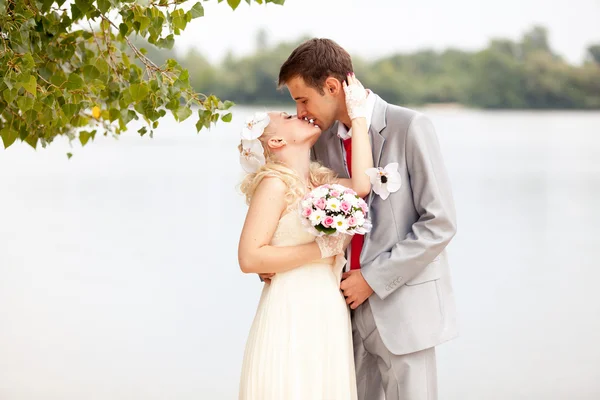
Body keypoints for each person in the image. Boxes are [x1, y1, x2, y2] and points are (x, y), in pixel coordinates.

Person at [276, 38, 458, 400]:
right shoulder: (319, 140)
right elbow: (294, 198)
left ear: (331, 87)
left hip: (404, 312)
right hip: (340, 314)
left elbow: (439, 222)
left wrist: (372, 279)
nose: (300, 112)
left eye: (302, 99)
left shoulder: (410, 127)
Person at [237, 76, 373, 399]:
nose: (298, 114)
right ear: (276, 143)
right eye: (286, 117)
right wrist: (318, 250)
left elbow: (363, 185)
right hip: (291, 312)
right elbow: (249, 257)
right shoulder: (274, 184)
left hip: (326, 311)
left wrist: (358, 118)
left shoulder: (319, 181)